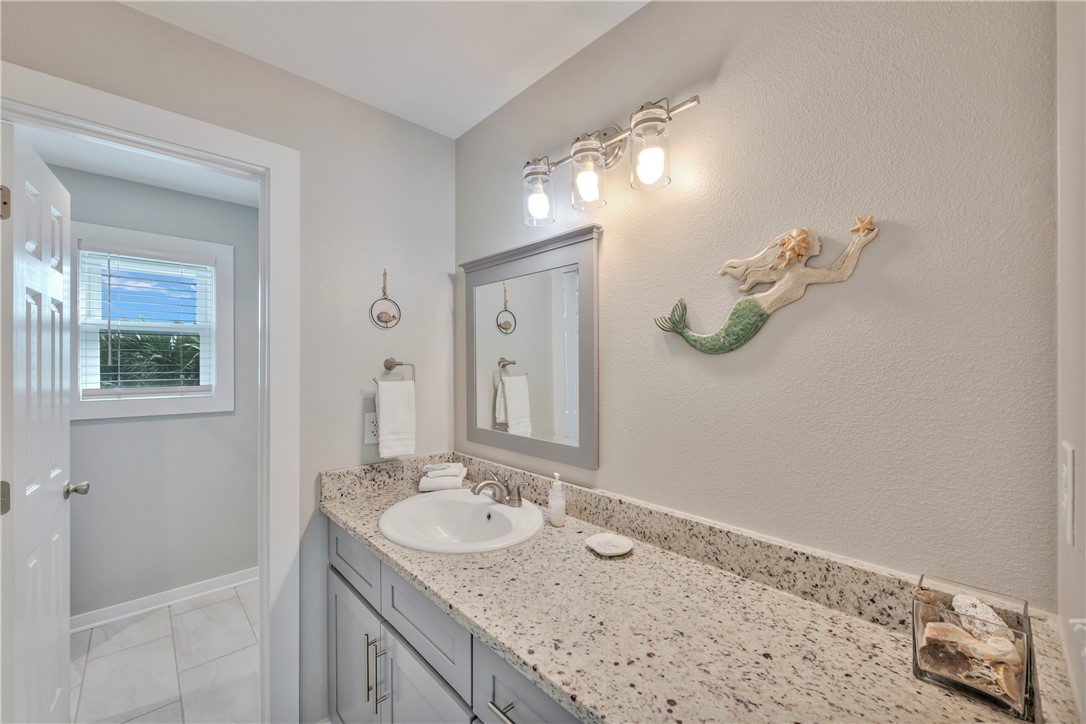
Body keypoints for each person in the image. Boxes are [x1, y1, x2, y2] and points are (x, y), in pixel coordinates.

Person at [654, 217, 879, 354]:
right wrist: (857, 244)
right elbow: (839, 273)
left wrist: (857, 243)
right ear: (806, 247)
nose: (819, 242)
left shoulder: (798, 272)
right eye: (815, 240)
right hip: (752, 311)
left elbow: (835, 272)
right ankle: (682, 330)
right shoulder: (799, 274)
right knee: (719, 343)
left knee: (719, 344)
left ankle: (681, 330)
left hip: (753, 309)